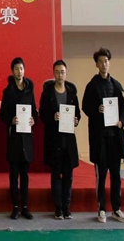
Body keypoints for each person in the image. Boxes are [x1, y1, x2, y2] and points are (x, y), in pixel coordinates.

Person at [82, 47, 124, 224]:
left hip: (115, 138)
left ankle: (116, 208)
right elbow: (85, 107)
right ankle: (101, 208)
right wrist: (97, 109)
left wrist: (121, 121)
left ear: (109, 63)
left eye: (106, 61)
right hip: (99, 138)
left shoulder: (116, 85)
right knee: (101, 176)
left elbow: (123, 109)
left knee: (116, 175)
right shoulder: (92, 86)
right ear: (96, 64)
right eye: (100, 62)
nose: (103, 64)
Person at [39, 60, 81, 220]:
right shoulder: (47, 94)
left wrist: (76, 120)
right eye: (57, 72)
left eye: (62, 72)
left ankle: (66, 207)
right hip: (54, 140)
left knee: (68, 176)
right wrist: (52, 116)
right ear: (53, 73)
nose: (59, 75)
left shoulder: (72, 93)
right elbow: (42, 115)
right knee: (56, 175)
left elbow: (78, 114)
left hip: (68, 140)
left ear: (66, 73)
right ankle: (58, 208)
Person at [0, 57, 37, 220]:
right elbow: (3, 114)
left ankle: (25, 207)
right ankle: (15, 207)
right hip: (14, 137)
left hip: (26, 137)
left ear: (24, 70)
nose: (19, 71)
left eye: (21, 68)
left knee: (25, 175)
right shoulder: (8, 92)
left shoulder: (30, 90)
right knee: (14, 174)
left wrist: (33, 119)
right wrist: (11, 120)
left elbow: (34, 112)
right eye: (16, 69)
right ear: (12, 71)